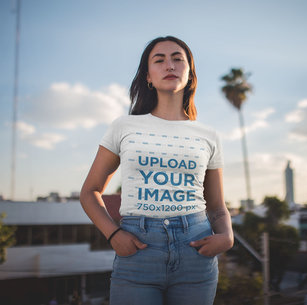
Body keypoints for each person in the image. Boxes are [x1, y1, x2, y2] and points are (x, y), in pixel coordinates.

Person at [80, 36, 234, 305]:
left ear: (189, 73)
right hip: (138, 251)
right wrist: (114, 234)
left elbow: (218, 208)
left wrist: (227, 237)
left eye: (177, 59)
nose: (169, 65)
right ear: (148, 76)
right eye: (159, 60)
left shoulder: (208, 136)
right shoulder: (124, 126)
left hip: (195, 251)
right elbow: (90, 191)